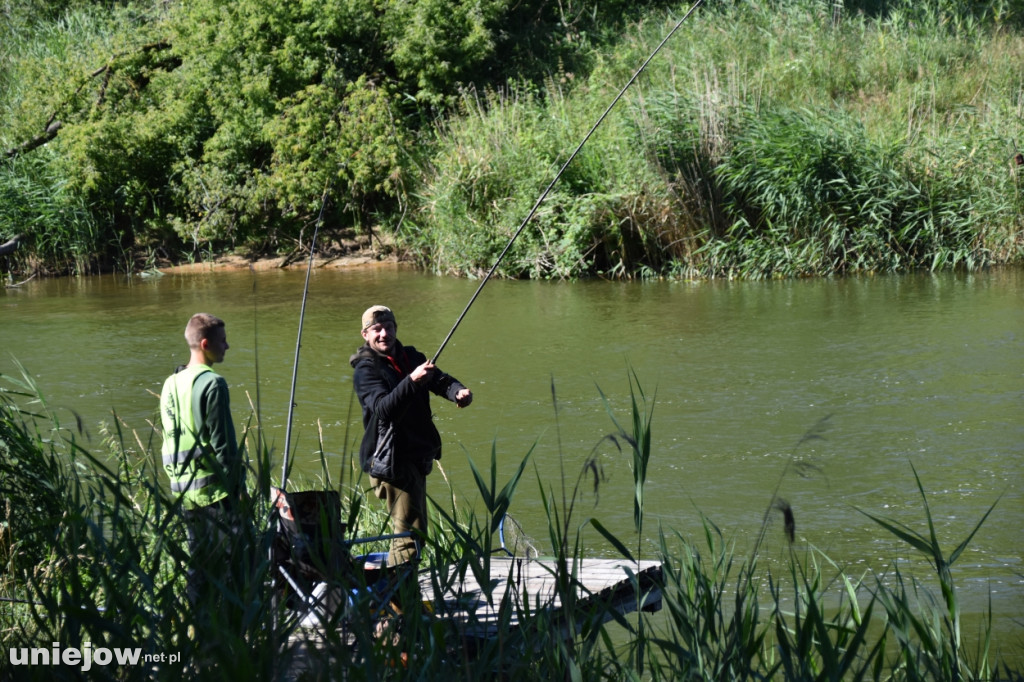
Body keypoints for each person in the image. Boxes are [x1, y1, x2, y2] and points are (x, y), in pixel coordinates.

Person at [350, 305, 472, 569]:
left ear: (395, 328)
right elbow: (383, 408)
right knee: (409, 535)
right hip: (390, 462)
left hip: (415, 455)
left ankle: (401, 595)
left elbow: (438, 379)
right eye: (376, 330)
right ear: (365, 334)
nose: (384, 334)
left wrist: (458, 391)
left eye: (388, 327)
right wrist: (412, 381)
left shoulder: (411, 357)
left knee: (414, 530)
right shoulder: (365, 370)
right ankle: (402, 601)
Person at [159, 313, 248, 608]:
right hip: (216, 493)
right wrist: (238, 489)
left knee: (198, 566)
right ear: (206, 344)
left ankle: (198, 632)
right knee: (234, 568)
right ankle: (235, 636)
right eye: (223, 341)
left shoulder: (170, 383)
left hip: (184, 491)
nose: (228, 346)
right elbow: (224, 446)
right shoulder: (213, 383)